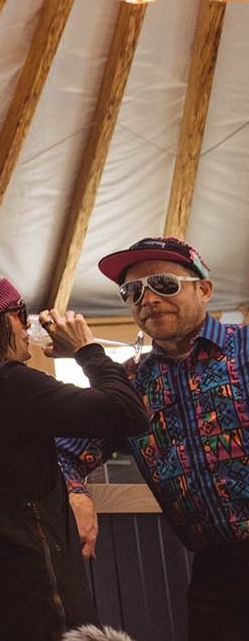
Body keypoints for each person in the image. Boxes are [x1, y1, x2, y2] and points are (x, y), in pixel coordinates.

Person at [0, 271, 148, 641]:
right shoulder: (3, 382)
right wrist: (87, 351)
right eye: (20, 313)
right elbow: (127, 413)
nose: (28, 326)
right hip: (38, 596)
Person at [56, 237, 249, 640]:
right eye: (133, 291)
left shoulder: (244, 348)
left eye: (164, 284)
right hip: (215, 572)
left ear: (204, 289)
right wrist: (76, 493)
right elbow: (65, 452)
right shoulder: (131, 384)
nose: (148, 299)